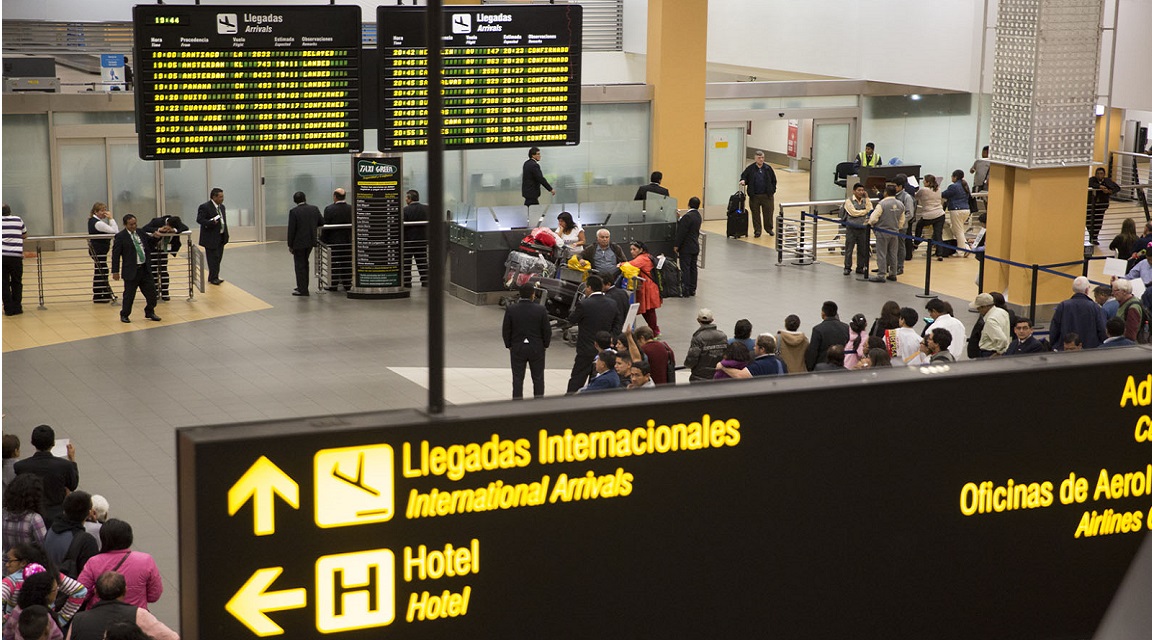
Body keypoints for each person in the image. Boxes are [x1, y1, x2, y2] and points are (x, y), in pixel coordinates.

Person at [64, 571, 178, 640]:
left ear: (96, 593)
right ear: (125, 591)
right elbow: (172, 638)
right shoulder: (139, 614)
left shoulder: (79, 620)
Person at [76, 520, 162, 611]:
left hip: (100, 617)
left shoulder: (93, 562)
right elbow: (154, 596)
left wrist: (98, 589)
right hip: (136, 617)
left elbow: (81, 594)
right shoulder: (145, 560)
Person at [2, 544, 88, 624]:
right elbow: (79, 591)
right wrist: (61, 619)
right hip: (47, 626)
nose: (7, 564)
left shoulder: (10, 582)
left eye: (10, 561)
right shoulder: (52, 575)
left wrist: (4, 621)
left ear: (23, 562)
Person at [565, 275, 621, 394]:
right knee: (598, 379)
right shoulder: (612, 303)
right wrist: (611, 338)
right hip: (604, 350)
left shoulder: (584, 304)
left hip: (585, 348)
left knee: (577, 377)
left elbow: (572, 319)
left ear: (589, 288)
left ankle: (569, 401)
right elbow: (617, 324)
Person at [13, 427, 77, 525]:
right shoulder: (65, 465)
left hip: (31, 516)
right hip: (56, 516)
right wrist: (72, 460)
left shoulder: (20, 466)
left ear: (32, 442)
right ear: (53, 443)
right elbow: (73, 485)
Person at [110, 215, 161, 324]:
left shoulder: (141, 232)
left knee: (152, 293)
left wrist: (156, 237)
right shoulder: (121, 236)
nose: (134, 226)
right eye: (131, 224)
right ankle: (124, 314)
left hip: (144, 269)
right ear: (125, 225)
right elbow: (115, 255)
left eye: (135, 224)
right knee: (129, 295)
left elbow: (149, 244)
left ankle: (149, 311)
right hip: (131, 271)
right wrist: (115, 271)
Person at [502, 283, 551, 400]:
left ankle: (518, 403)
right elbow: (547, 330)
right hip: (536, 347)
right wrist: (545, 345)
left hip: (517, 347)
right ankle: (538, 402)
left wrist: (509, 345)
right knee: (538, 377)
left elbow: (506, 329)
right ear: (533, 295)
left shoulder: (511, 309)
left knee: (517, 378)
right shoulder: (540, 309)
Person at [43, 491, 97, 579]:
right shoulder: (87, 541)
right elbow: (90, 576)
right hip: (70, 588)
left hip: (49, 581)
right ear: (88, 513)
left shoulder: (51, 530)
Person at [1049, 276, 1107, 349]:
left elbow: (1054, 329)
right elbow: (1102, 329)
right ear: (1086, 290)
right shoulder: (1094, 307)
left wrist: (1054, 345)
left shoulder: (1063, 306)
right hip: (1090, 350)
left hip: (1066, 350)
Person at [139, 215, 187, 302]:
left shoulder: (176, 222)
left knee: (163, 270)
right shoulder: (157, 221)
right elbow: (145, 228)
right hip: (153, 249)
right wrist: (158, 229)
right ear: (167, 223)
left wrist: (174, 230)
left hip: (164, 250)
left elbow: (184, 227)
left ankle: (165, 292)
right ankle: (155, 292)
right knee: (153, 271)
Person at [3, 571, 63, 640]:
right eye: (55, 589)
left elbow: (8, 635)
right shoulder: (44, 617)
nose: (56, 592)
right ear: (46, 594)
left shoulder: (17, 610)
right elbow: (59, 637)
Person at [286, 191, 324, 297]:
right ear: (305, 198)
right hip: (310, 242)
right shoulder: (314, 209)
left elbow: (292, 230)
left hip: (298, 243)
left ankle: (303, 289)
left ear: (294, 200)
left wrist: (290, 244)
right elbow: (321, 222)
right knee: (305, 264)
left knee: (299, 266)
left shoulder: (294, 212)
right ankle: (303, 286)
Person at [867, 184, 906, 282]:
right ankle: (893, 274)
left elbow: (873, 218)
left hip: (882, 231)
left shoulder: (882, 204)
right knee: (893, 253)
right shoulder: (900, 204)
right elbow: (902, 220)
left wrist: (871, 224)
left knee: (882, 254)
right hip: (895, 232)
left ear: (885, 193)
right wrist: (897, 227)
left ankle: (881, 274)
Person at [623, 241, 662, 336]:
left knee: (649, 310)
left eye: (634, 249)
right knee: (648, 310)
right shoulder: (647, 256)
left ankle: (654, 330)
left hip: (647, 288)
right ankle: (654, 329)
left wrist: (620, 264)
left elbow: (629, 265)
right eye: (631, 249)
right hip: (650, 287)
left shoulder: (642, 258)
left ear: (641, 250)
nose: (632, 252)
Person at [2, 475, 46, 554]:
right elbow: (44, 547)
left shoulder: (3, 514)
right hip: (28, 564)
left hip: (6, 563)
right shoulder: (34, 519)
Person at [738, 150, 778, 238]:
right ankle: (757, 230)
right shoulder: (750, 169)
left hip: (767, 196)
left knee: (768, 213)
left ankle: (769, 229)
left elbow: (774, 180)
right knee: (755, 214)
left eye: (762, 158)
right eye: (759, 158)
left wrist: (772, 190)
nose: (761, 160)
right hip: (754, 196)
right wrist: (743, 180)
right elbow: (744, 176)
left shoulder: (768, 168)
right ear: (755, 158)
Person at [321, 188, 353, 292]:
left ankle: (333, 284)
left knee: (333, 262)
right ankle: (347, 283)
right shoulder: (351, 208)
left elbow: (326, 226)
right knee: (347, 261)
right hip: (348, 240)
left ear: (335, 196)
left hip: (334, 241)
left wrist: (323, 240)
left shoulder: (329, 209)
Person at [684, 309, 727, 382]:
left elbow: (692, 358)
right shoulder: (723, 336)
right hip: (718, 375)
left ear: (698, 320)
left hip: (699, 376)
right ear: (712, 320)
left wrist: (687, 365)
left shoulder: (697, 338)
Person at [86, 203, 118, 304]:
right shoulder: (98, 223)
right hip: (98, 250)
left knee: (102, 270)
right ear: (96, 212)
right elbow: (115, 231)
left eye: (105, 210)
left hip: (99, 250)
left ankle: (106, 292)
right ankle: (98, 294)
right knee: (101, 270)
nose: (105, 212)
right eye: (102, 210)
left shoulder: (94, 221)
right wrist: (111, 219)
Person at [196, 187, 228, 285]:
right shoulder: (205, 207)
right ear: (214, 197)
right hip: (210, 238)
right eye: (220, 197)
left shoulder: (222, 207)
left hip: (221, 237)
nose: (222, 199)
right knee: (213, 258)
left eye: (223, 196)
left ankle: (214, 276)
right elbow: (200, 220)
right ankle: (214, 277)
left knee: (218, 258)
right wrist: (211, 222)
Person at [805, 301, 850, 371]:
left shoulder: (818, 329)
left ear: (823, 313)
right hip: (840, 367)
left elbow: (813, 352)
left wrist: (810, 368)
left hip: (821, 368)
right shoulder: (846, 327)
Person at [914, 174, 948, 260]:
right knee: (938, 234)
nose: (923, 182)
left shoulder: (923, 190)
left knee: (919, 225)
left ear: (928, 182)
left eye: (924, 180)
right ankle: (940, 254)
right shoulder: (938, 189)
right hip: (940, 214)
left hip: (928, 215)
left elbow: (916, 196)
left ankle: (916, 242)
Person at [2, 204, 28, 317]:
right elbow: (25, 235)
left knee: (4, 283)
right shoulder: (18, 219)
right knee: (17, 281)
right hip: (16, 256)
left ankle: (8, 309)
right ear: (9, 211)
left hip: (2, 256)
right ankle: (17, 307)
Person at [674, 197, 702, 297]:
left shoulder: (688, 217)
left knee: (685, 268)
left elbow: (682, 232)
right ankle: (692, 289)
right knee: (693, 268)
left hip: (686, 248)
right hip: (695, 246)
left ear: (688, 204)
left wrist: (676, 245)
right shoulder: (698, 216)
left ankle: (685, 289)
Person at [402, 190, 429, 288]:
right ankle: (425, 281)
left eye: (406, 197)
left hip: (408, 241)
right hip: (422, 240)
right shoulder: (426, 209)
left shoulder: (405, 210)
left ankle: (407, 282)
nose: (405, 199)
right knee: (422, 261)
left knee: (406, 262)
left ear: (409, 199)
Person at [842, 183, 871, 276]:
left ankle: (860, 267)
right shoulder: (848, 201)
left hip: (863, 229)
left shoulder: (865, 200)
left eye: (862, 190)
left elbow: (870, 209)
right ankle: (847, 267)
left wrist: (867, 198)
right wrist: (864, 211)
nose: (861, 192)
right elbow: (853, 212)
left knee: (862, 249)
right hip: (851, 228)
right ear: (854, 191)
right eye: (859, 190)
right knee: (849, 249)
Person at [1086, 168, 1120, 246]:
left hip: (1101, 205)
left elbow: (1117, 188)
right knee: (1088, 221)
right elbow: (1090, 184)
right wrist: (1100, 187)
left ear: (1104, 174)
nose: (1099, 175)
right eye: (1097, 173)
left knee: (1098, 222)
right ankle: (1092, 235)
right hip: (1091, 205)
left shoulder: (1107, 181)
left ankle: (1094, 238)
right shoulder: (1092, 180)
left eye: (1101, 173)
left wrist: (1109, 191)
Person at [941, 170, 973, 254]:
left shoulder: (953, 186)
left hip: (957, 210)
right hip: (966, 209)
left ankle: (963, 250)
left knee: (958, 231)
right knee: (957, 230)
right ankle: (966, 247)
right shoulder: (965, 185)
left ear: (955, 177)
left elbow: (944, 194)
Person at [970, 293, 1010, 357]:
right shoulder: (1002, 312)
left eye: (978, 308)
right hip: (1002, 350)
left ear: (985, 307)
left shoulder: (991, 320)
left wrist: (998, 352)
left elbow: (1002, 339)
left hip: (989, 352)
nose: (978, 310)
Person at [893, 174, 916, 271]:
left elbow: (909, 213)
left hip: (901, 227)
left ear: (900, 186)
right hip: (891, 226)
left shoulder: (907, 197)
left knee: (900, 246)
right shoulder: (892, 196)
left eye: (894, 186)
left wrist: (900, 223)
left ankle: (900, 266)